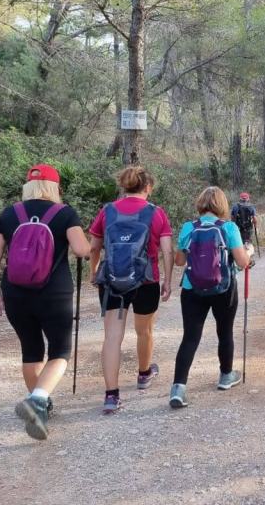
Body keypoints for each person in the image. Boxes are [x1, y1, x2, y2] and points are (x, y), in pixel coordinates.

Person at [0, 164, 91, 440]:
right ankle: (38, 399)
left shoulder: (10, 214)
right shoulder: (65, 213)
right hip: (54, 292)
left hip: (15, 291)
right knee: (60, 351)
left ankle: (40, 409)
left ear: (28, 186)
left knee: (30, 349)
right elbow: (82, 250)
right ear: (55, 187)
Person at [88, 166, 174, 414]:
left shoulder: (107, 211)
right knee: (144, 330)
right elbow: (167, 250)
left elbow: (94, 247)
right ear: (148, 187)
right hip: (146, 281)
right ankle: (144, 374)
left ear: (125, 186)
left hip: (112, 281)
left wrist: (95, 272)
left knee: (113, 337)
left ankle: (112, 395)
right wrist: (167, 280)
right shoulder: (156, 213)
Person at [169, 186, 255, 408]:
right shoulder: (229, 228)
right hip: (223, 288)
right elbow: (242, 262)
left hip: (192, 288)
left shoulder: (189, 227)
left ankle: (178, 388)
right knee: (224, 332)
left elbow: (179, 261)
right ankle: (226, 376)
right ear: (222, 205)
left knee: (190, 337)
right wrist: (250, 251)